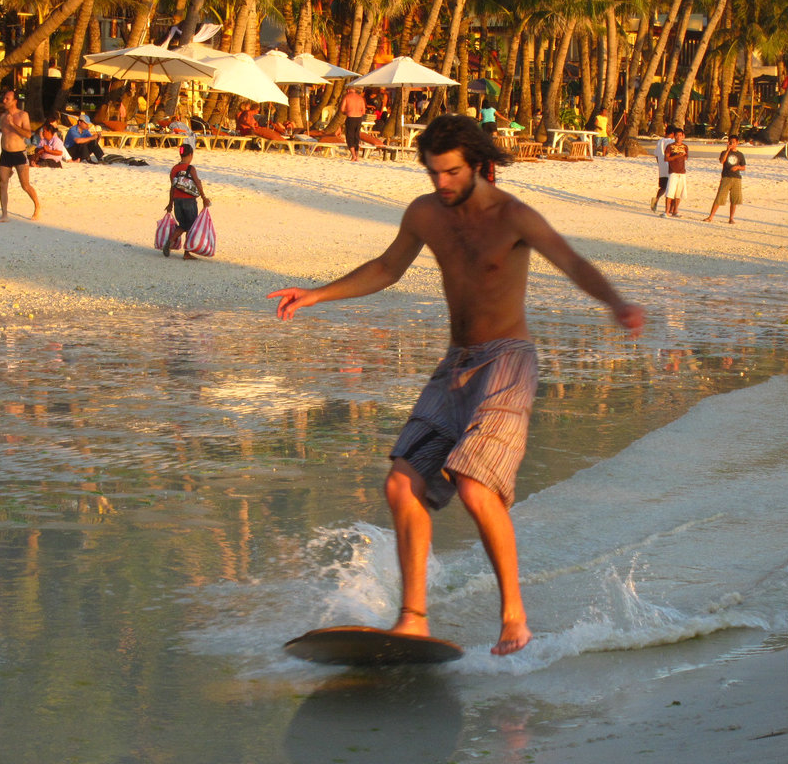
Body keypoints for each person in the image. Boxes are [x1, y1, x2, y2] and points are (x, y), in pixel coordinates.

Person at [267, 115, 644, 656]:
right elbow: (386, 267)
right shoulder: (425, 213)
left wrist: (617, 304)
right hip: (457, 363)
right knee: (401, 484)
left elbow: (573, 263)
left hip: (508, 362)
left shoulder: (514, 216)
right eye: (432, 173)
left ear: (477, 165)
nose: (440, 184)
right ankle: (413, 621)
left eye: (450, 173)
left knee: (473, 484)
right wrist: (316, 294)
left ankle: (514, 617)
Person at [0, 89, 41, 222]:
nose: (4, 101)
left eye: (7, 99)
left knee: (25, 185)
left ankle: (37, 206)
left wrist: (12, 124)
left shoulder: (23, 115)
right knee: (2, 184)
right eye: (4, 98)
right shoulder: (3, 117)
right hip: (5, 154)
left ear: (15, 101)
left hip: (19, 154)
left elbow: (27, 134)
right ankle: (4, 214)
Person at [164, 143, 211, 259]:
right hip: (189, 201)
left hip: (177, 201)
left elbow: (172, 187)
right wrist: (204, 197)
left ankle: (171, 242)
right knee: (191, 226)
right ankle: (186, 252)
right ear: (190, 155)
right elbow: (198, 183)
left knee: (184, 224)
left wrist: (170, 203)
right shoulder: (190, 168)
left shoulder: (174, 169)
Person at [703, 134, 746, 223]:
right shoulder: (724, 152)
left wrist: (737, 167)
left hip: (736, 178)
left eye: (733, 142)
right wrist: (727, 150)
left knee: (734, 200)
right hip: (726, 177)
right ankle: (711, 217)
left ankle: (731, 218)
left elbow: (744, 167)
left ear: (737, 143)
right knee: (719, 198)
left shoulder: (740, 154)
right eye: (730, 142)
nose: (732, 144)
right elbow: (722, 161)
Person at [662, 127, 688, 218]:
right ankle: (667, 211)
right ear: (674, 136)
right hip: (673, 172)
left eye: (680, 135)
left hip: (682, 173)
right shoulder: (670, 147)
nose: (678, 137)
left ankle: (675, 210)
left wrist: (681, 157)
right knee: (670, 192)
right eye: (677, 135)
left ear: (683, 136)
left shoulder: (685, 147)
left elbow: (685, 158)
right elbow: (666, 159)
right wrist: (676, 156)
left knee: (678, 193)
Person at [650, 123, 675, 212]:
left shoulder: (660, 141)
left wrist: (660, 163)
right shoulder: (672, 142)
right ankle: (671, 208)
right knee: (672, 188)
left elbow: (656, 155)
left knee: (663, 187)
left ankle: (656, 199)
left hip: (662, 168)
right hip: (671, 168)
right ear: (672, 133)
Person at [340, 87, 366, 162]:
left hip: (350, 117)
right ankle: (357, 155)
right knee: (356, 136)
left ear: (348, 90)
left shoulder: (347, 97)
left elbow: (342, 109)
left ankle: (353, 155)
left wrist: (346, 112)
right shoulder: (360, 98)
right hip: (359, 118)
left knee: (349, 136)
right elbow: (363, 111)